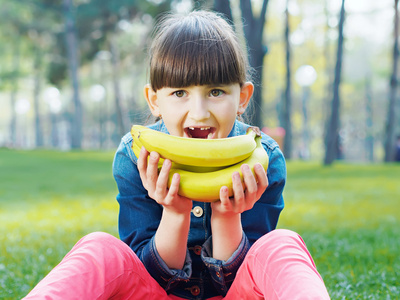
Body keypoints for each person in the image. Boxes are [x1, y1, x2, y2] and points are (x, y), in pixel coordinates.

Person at [24, 10, 330, 300]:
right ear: (154, 100)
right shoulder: (135, 156)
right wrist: (175, 212)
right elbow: (143, 271)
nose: (198, 113)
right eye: (179, 93)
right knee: (99, 247)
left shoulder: (262, 159)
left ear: (242, 97)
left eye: (215, 92)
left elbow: (251, 274)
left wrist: (227, 215)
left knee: (281, 243)